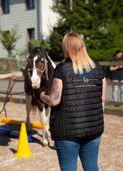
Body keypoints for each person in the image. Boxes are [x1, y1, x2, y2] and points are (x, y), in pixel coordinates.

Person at [40, 31, 106, 171]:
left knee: (68, 168)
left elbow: (54, 100)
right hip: (93, 128)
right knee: (92, 166)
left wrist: (42, 95)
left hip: (67, 131)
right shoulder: (98, 68)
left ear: (66, 48)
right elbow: (102, 101)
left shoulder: (62, 69)